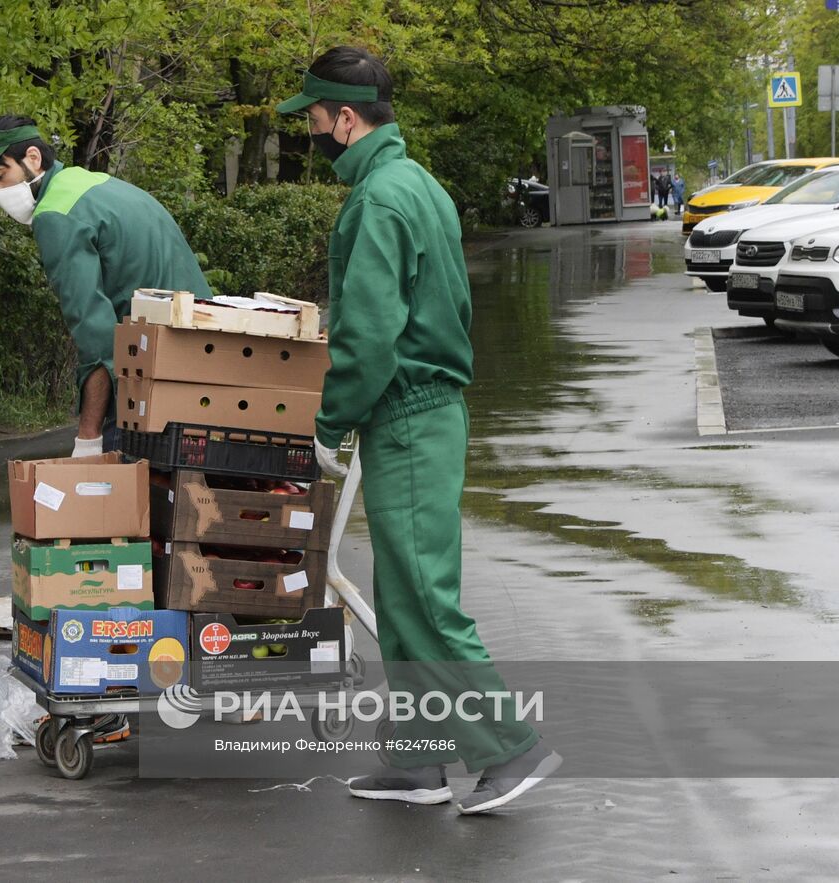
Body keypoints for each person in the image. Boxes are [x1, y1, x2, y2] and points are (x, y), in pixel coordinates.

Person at [277, 46, 560, 814]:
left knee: (428, 601)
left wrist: (329, 422)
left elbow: (368, 335)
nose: (310, 132)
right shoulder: (418, 185)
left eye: (313, 118)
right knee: (401, 598)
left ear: (345, 118)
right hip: (426, 409)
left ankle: (511, 747)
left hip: (406, 412)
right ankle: (415, 760)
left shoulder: (377, 202)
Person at [0, 116, 211, 456]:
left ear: (33, 158)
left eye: (0, 177)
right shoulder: (101, 185)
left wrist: (88, 438)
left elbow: (96, 335)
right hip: (206, 363)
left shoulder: (55, 213)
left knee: (119, 501)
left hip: (148, 384)